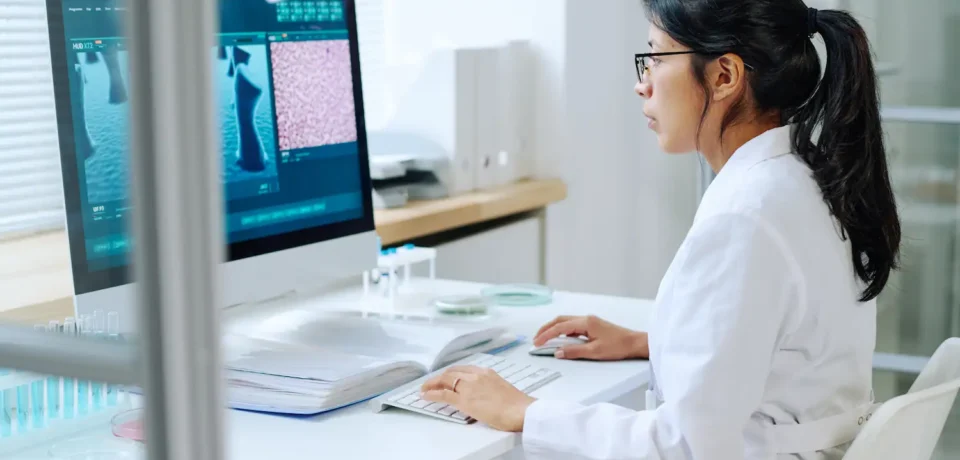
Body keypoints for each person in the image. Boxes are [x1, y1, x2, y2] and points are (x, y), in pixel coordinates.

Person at [420, 0, 902, 458]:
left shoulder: (745, 217)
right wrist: (653, 341)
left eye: (655, 58)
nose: (642, 84)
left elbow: (682, 447)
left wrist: (526, 413)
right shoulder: (804, 177)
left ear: (725, 76)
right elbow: (787, 342)